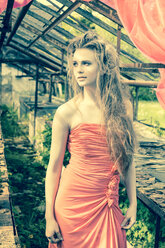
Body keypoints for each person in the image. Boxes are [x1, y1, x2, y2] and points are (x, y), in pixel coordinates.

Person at [45, 31, 137, 248]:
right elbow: (54, 168)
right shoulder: (66, 112)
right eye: (75, 63)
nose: (79, 69)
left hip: (106, 206)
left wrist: (133, 203)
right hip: (71, 207)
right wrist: (49, 216)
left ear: (104, 67)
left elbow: (128, 160)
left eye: (86, 63)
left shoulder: (123, 108)